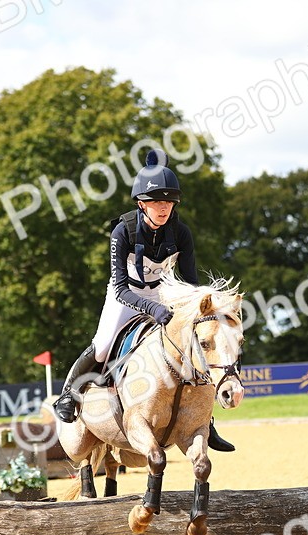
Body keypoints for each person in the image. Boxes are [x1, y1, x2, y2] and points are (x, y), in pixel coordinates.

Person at [52, 149, 234, 452]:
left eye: (168, 203)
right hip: (125, 296)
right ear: (141, 204)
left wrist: (190, 312)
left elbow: (189, 283)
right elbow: (122, 288)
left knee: (192, 346)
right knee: (103, 344)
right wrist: (153, 309)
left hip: (166, 294)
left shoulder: (181, 233)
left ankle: (206, 420)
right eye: (155, 203)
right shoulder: (123, 231)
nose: (163, 209)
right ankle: (70, 395)